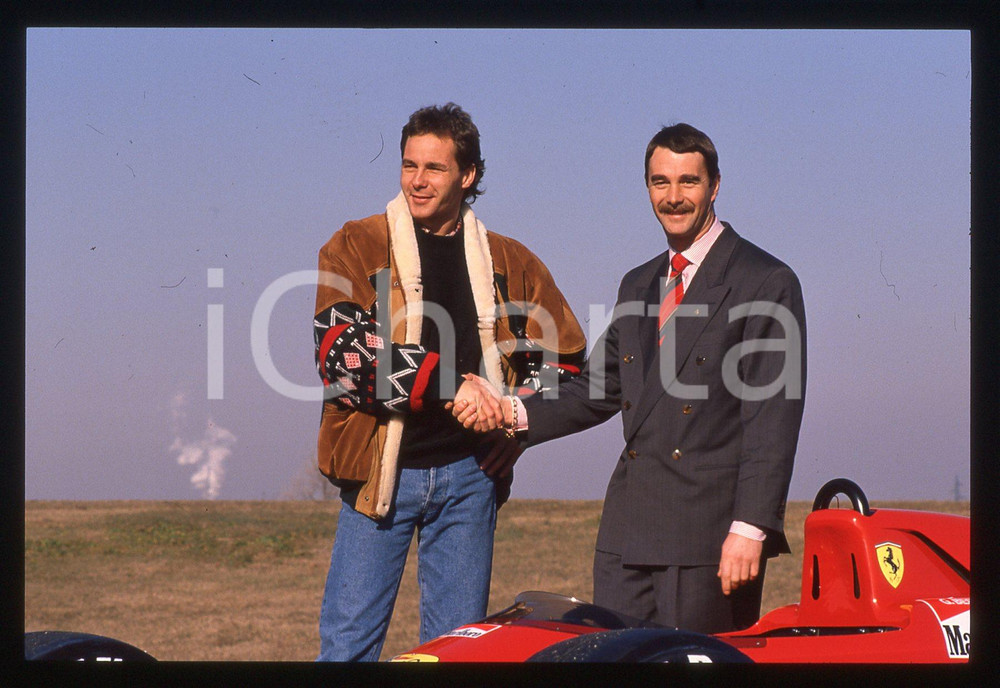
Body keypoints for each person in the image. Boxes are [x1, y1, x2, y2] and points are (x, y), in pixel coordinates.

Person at [456, 123, 806, 634]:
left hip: (708, 540)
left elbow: (771, 421)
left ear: (715, 186)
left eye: (688, 181)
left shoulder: (766, 280)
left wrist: (751, 528)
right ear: (647, 188)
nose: (674, 197)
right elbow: (596, 390)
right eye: (660, 182)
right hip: (627, 537)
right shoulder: (638, 283)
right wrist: (509, 410)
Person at [312, 103, 587, 661]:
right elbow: (339, 355)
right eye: (409, 165)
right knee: (346, 651)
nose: (417, 181)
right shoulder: (355, 243)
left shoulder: (511, 259)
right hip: (379, 477)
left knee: (457, 655)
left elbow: (569, 364)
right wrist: (449, 387)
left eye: (434, 169)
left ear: (468, 176)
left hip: (470, 479)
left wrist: (515, 426)